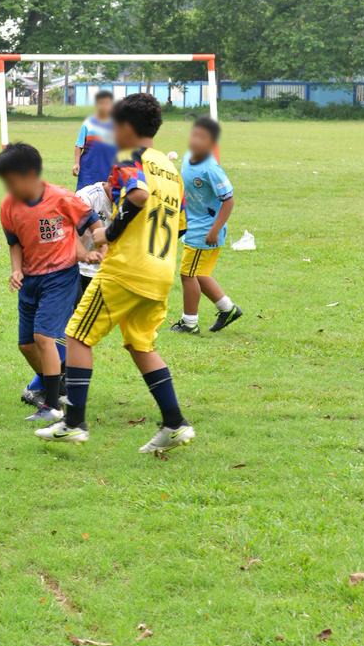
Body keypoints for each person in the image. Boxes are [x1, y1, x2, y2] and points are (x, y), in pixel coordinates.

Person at [35, 93, 194, 455]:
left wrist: (110, 233)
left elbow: (137, 195)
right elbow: (180, 225)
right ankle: (175, 423)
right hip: (160, 272)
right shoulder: (172, 171)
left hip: (126, 270)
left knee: (77, 335)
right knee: (141, 345)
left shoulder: (128, 157)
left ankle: (73, 423)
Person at [0, 143, 99, 423]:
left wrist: (99, 245)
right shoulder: (8, 206)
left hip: (60, 276)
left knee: (43, 338)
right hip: (30, 280)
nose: (8, 187)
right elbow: (14, 243)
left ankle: (52, 406)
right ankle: (59, 381)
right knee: (27, 345)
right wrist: (16, 270)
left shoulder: (61, 198)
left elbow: (92, 221)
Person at [169, 117, 242, 334]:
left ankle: (189, 323)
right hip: (192, 225)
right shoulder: (188, 157)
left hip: (204, 231)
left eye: (202, 137)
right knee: (198, 273)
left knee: (187, 274)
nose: (195, 140)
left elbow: (228, 200)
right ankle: (227, 309)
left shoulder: (211, 168)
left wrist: (215, 230)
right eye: (194, 134)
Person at [74, 181, 113, 301]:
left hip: (106, 272)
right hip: (78, 268)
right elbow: (68, 230)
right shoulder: (87, 196)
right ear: (111, 181)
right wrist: (84, 254)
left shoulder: (129, 203)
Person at [71, 90, 116, 190]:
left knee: (107, 195)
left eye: (107, 103)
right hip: (88, 169)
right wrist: (76, 163)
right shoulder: (88, 123)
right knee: (84, 195)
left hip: (109, 168)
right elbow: (79, 145)